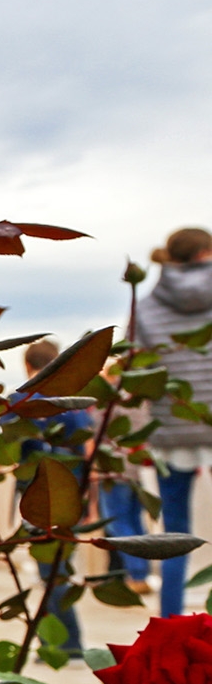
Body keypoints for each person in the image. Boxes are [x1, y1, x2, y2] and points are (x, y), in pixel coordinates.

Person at [133, 227, 212, 618]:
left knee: (175, 535)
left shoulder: (146, 305)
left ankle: (171, 627)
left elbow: (138, 367)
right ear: (205, 253)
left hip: (170, 425)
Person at [13, 339, 88, 652]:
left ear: (28, 366)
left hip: (37, 495)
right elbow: (84, 446)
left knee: (49, 572)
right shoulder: (71, 400)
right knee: (60, 567)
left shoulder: (22, 399)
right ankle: (60, 642)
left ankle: (61, 644)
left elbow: (10, 444)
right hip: (70, 492)